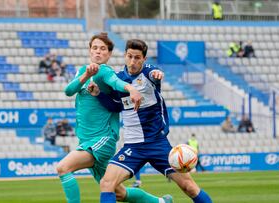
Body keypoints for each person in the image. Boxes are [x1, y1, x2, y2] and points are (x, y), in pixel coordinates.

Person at [89, 39, 212, 203]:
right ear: (125, 55)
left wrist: (157, 75)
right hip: (133, 146)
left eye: (137, 58)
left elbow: (155, 74)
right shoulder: (118, 79)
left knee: (189, 187)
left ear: (144, 59)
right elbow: (115, 106)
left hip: (157, 144)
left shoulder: (149, 73)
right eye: (130, 56)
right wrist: (98, 94)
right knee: (107, 183)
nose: (133, 61)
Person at [56, 33, 169, 203]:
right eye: (95, 48)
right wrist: (86, 75)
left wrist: (131, 89)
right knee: (120, 194)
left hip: (101, 140)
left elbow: (115, 82)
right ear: (89, 51)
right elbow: (68, 91)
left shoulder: (105, 71)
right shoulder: (82, 72)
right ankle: (161, 202)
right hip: (86, 140)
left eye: (103, 49)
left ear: (109, 54)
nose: (98, 52)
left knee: (63, 168)